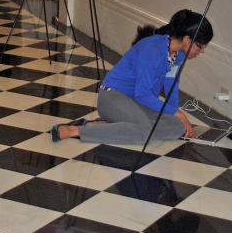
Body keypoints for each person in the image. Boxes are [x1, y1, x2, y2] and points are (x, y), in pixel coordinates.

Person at [51, 9, 213, 144]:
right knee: (144, 133)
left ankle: (111, 126)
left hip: (137, 103)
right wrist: (176, 113)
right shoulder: (152, 48)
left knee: (177, 126)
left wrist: (177, 114)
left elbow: (171, 86)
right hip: (113, 97)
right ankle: (75, 130)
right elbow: (142, 94)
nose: (201, 51)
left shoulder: (178, 54)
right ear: (187, 39)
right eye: (200, 46)